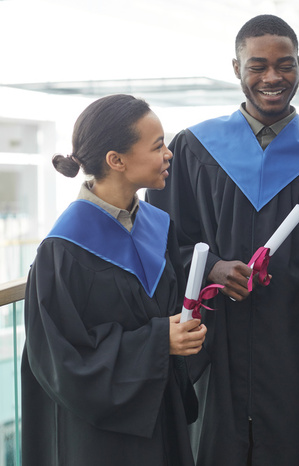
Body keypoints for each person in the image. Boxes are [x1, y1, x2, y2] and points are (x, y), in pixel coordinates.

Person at [145, 14, 299, 466]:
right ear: (236, 68)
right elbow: (161, 243)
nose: (272, 77)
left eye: (286, 65)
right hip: (213, 354)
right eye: (257, 65)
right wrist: (212, 267)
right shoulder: (192, 149)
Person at [21, 94, 207, 466]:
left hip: (160, 414)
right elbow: (62, 361)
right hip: (101, 439)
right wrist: (158, 341)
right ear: (116, 160)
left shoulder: (157, 225)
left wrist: (181, 332)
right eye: (157, 147)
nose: (168, 154)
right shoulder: (63, 251)